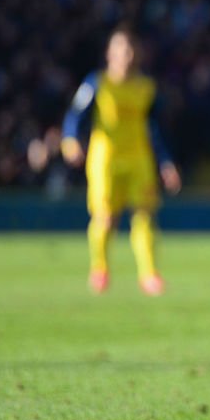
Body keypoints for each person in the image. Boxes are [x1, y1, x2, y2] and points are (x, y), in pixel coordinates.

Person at [61, 23, 181, 295]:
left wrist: (166, 163)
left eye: (130, 50)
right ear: (109, 54)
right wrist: (70, 141)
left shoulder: (146, 88)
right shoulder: (97, 83)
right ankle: (100, 269)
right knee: (105, 218)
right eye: (121, 50)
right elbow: (75, 116)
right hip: (106, 160)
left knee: (145, 216)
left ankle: (150, 275)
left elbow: (157, 129)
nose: (126, 55)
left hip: (139, 159)